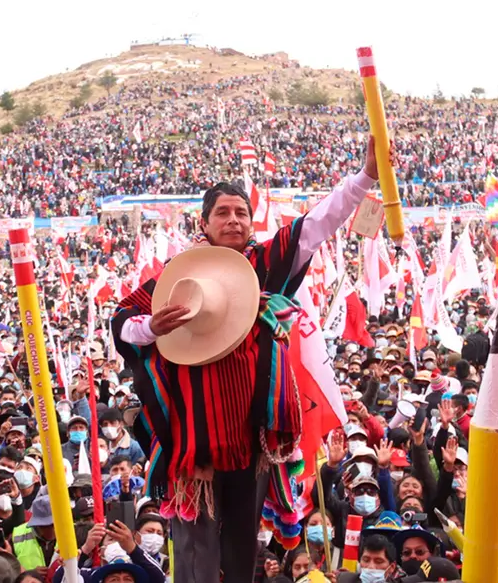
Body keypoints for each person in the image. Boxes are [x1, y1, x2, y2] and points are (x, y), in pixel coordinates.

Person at [111, 136, 388, 583]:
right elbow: (122, 319)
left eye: (241, 212)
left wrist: (366, 177)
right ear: (204, 223)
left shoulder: (262, 264)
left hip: (252, 445)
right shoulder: (178, 276)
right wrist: (152, 328)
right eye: (222, 212)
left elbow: (317, 223)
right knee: (196, 557)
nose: (234, 220)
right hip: (192, 446)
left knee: (241, 555)